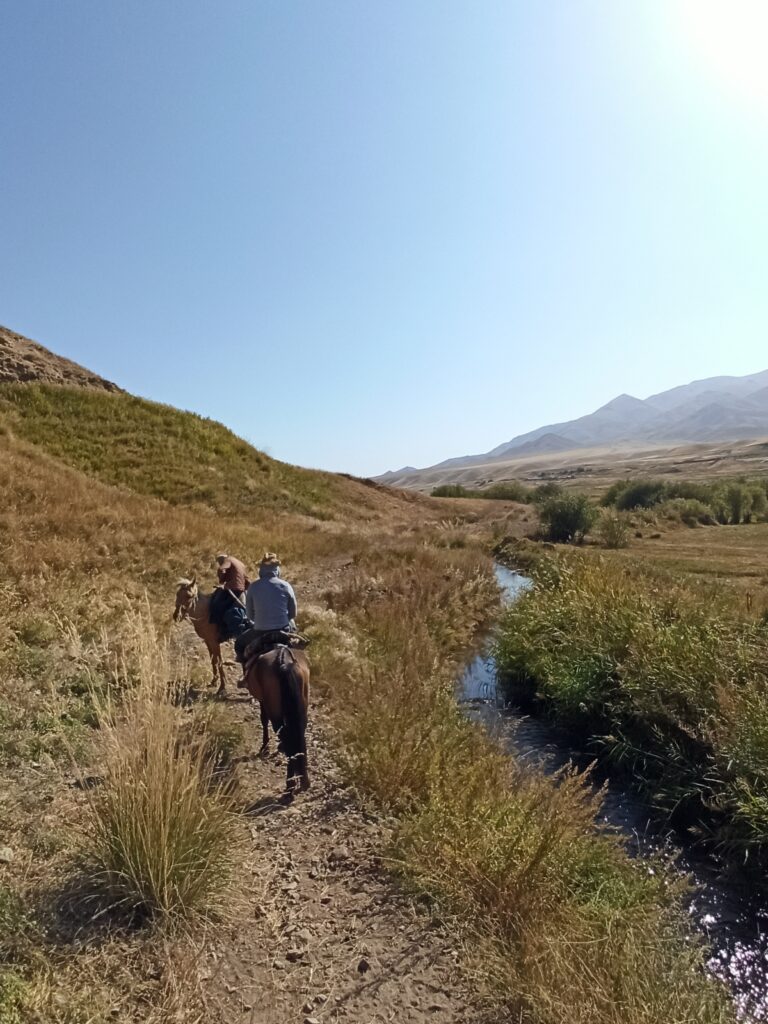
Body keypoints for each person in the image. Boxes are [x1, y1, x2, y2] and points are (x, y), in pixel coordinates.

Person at [235, 553, 298, 665]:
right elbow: (293, 613)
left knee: (239, 643)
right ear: (277, 569)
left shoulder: (253, 587)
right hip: (283, 629)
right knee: (299, 643)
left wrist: (261, 620)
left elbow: (250, 616)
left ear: (261, 570)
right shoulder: (286, 586)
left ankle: (245, 674)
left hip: (260, 631)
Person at [210, 553, 251, 640]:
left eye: (220, 562)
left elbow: (221, 570)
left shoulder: (228, 560)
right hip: (240, 591)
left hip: (231, 589)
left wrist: (222, 581)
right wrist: (246, 590)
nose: (221, 563)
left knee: (216, 605)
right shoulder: (240, 564)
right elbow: (247, 579)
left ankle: (222, 632)